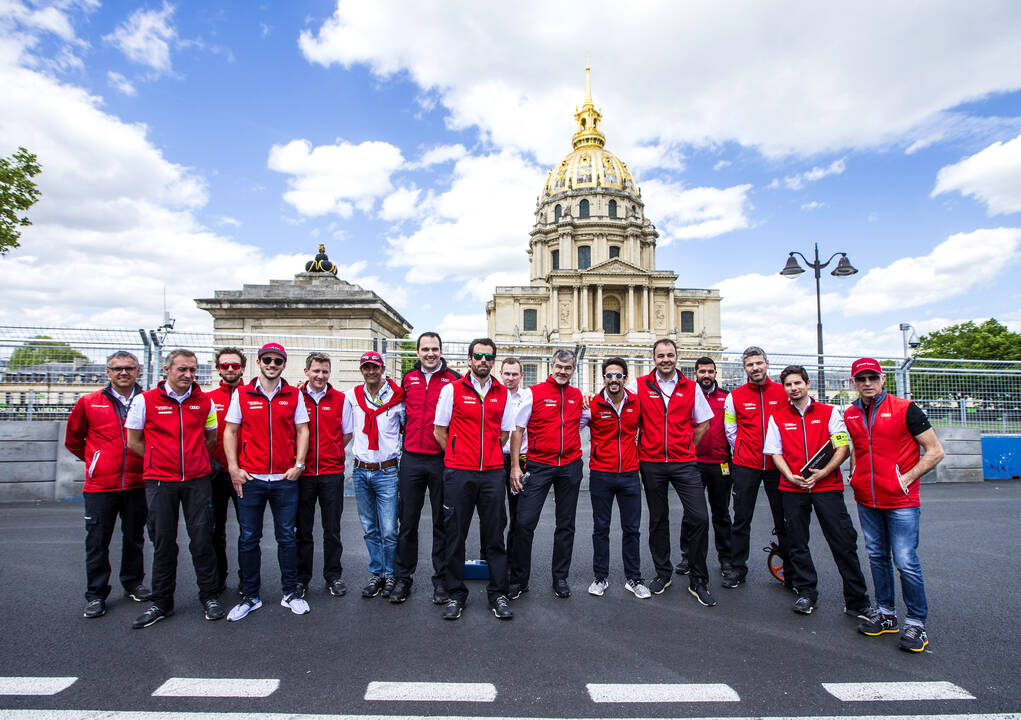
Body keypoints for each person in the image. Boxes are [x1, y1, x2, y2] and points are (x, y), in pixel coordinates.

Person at [843, 357, 945, 653]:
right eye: (861, 379)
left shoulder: (905, 409)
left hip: (901, 500)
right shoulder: (850, 413)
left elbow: (935, 451)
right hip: (867, 499)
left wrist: (908, 477)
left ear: (883, 378)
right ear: (853, 382)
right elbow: (858, 450)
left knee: (905, 561)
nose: (867, 383)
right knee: (876, 556)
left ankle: (916, 623)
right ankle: (886, 613)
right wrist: (854, 476)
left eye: (872, 378)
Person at [124, 348, 223, 628]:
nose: (188, 375)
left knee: (203, 540)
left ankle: (210, 596)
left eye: (192, 370)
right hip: (160, 481)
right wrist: (161, 461)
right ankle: (162, 602)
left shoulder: (204, 402)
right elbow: (133, 440)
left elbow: (211, 436)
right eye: (182, 369)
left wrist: (193, 461)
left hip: (197, 480)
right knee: (164, 542)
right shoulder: (145, 401)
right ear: (167, 370)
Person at [763, 365, 870, 617]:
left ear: (807, 384)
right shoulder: (777, 417)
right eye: (788, 385)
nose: (793, 388)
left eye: (798, 383)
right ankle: (806, 592)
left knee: (843, 541)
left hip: (827, 486)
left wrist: (824, 472)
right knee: (797, 543)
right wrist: (789, 476)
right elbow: (775, 452)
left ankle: (857, 599)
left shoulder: (829, 412)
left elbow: (842, 446)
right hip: (792, 488)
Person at [223, 343, 310, 622]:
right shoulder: (242, 394)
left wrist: (298, 465)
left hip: (284, 478)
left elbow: (302, 430)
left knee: (287, 536)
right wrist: (234, 468)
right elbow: (230, 431)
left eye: (277, 361)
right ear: (258, 362)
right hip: (252, 478)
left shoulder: (294, 395)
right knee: (249, 538)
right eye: (267, 360)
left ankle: (290, 593)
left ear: (284, 364)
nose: (272, 365)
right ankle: (250, 596)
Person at [433, 338, 518, 620]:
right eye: (478, 356)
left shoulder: (502, 393)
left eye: (488, 356)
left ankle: (498, 594)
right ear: (469, 359)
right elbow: (439, 430)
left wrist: (488, 456)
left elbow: (504, 434)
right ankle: (456, 593)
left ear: (493, 361)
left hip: (493, 472)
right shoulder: (452, 389)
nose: (483, 360)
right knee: (455, 535)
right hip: (459, 472)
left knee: (495, 535)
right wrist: (458, 456)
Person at [629, 338, 717, 607]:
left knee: (700, 517)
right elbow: (623, 406)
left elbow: (703, 422)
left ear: (677, 357)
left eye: (670, 355)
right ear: (653, 358)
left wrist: (688, 444)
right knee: (658, 519)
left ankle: (698, 579)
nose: (665, 359)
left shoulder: (690, 387)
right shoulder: (640, 385)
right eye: (660, 355)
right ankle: (663, 573)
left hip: (684, 462)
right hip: (652, 462)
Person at [65, 351, 150, 619]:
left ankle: (133, 583)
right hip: (101, 486)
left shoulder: (147, 400)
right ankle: (96, 594)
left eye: (129, 368)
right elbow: (74, 439)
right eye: (117, 368)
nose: (123, 373)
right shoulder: (89, 402)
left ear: (138, 371)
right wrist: (95, 461)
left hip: (138, 482)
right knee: (97, 541)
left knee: (135, 538)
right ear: (107, 372)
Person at [508, 349, 585, 600]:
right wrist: (516, 466)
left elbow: (583, 422)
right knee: (524, 522)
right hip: (539, 466)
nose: (563, 371)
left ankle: (560, 578)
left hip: (570, 466)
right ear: (551, 367)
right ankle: (519, 580)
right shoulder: (534, 393)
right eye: (559, 367)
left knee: (566, 525)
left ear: (573, 370)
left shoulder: (578, 396)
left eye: (568, 368)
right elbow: (517, 431)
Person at [390, 332, 460, 605]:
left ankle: (441, 580)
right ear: (418, 352)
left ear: (441, 351)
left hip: (441, 459)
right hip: (411, 459)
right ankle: (403, 579)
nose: (430, 353)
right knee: (407, 522)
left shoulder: (453, 379)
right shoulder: (408, 378)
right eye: (425, 349)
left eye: (435, 349)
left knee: (443, 523)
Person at [580, 357, 650, 599]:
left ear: (625, 379)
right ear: (603, 379)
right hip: (601, 474)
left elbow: (649, 429)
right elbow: (571, 428)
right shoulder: (592, 405)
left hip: (630, 473)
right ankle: (600, 577)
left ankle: (634, 578)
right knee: (601, 528)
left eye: (618, 375)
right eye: (609, 375)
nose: (613, 380)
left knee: (632, 529)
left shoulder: (636, 403)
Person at [723, 346, 789, 589]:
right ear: (744, 368)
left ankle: (790, 567)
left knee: (783, 518)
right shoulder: (735, 396)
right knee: (741, 518)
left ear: (767, 363)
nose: (755, 368)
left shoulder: (784, 392)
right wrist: (741, 449)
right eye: (750, 365)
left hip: (777, 466)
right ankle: (738, 567)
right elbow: (731, 430)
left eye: (759, 363)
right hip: (745, 465)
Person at [344, 350, 405, 599]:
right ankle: (376, 573)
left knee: (389, 529)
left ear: (382, 369)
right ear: (362, 370)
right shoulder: (352, 397)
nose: (371, 371)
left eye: (375, 367)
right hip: (361, 470)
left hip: (387, 470)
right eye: (367, 367)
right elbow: (346, 429)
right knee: (369, 528)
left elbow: (406, 429)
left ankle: (391, 574)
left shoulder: (398, 397)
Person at [295, 352, 352, 599]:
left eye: (325, 371)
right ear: (307, 371)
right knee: (303, 530)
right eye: (316, 371)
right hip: (303, 474)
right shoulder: (294, 397)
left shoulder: (340, 399)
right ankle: (301, 578)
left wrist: (333, 450)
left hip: (331, 473)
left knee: (332, 529)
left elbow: (346, 433)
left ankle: (333, 576)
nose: (320, 376)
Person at [677, 356, 733, 578]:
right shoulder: (688, 397)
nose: (706, 375)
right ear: (696, 373)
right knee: (691, 514)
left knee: (721, 514)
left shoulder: (727, 399)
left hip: (721, 464)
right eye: (702, 372)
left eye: (710, 371)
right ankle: (687, 556)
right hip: (694, 463)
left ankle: (726, 558)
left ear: (715, 373)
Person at [207, 346, 246, 595]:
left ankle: (247, 581)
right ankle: (217, 580)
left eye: (235, 365)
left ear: (242, 367)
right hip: (214, 474)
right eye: (225, 366)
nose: (230, 369)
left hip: (244, 473)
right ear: (218, 368)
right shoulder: (207, 398)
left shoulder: (251, 394)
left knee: (248, 532)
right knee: (214, 531)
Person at [499, 358, 528, 562]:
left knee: (518, 515)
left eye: (514, 374)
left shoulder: (528, 397)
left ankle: (513, 561)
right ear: (501, 374)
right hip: (496, 459)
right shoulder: (492, 395)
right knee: (494, 514)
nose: (510, 377)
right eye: (507, 373)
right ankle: (492, 558)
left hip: (520, 461)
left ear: (521, 376)